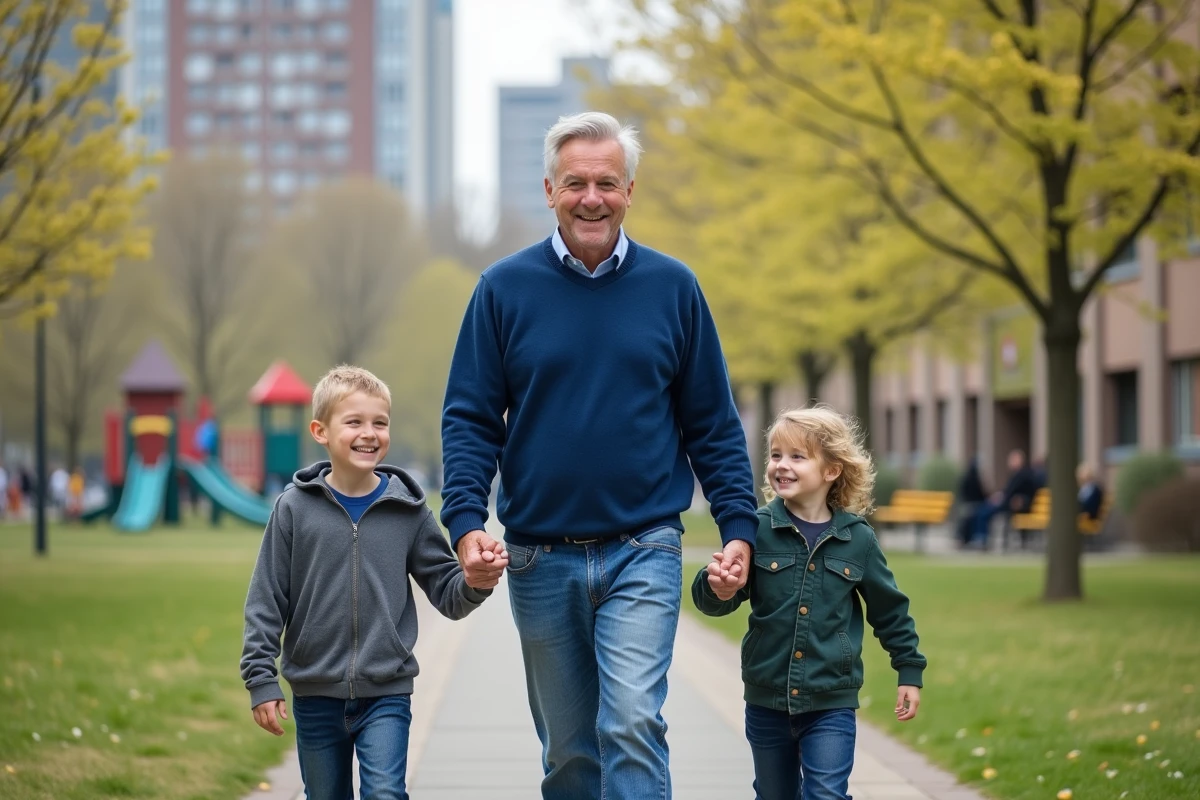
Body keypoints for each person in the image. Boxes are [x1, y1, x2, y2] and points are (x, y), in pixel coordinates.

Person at [440, 111, 759, 799]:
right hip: (537, 556)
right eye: (577, 182)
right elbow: (469, 418)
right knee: (571, 755)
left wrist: (740, 529)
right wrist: (466, 523)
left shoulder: (674, 289)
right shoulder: (502, 290)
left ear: (630, 190)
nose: (593, 198)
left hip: (643, 546)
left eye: (607, 183)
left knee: (634, 723)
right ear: (550, 188)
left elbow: (713, 423)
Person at [241, 366, 499, 800]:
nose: (370, 433)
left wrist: (476, 580)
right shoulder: (293, 509)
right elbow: (267, 599)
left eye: (380, 422)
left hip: (387, 691)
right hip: (315, 691)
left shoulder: (409, 512)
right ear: (320, 431)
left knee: (385, 794)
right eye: (354, 422)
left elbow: (448, 594)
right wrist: (260, 679)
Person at [694, 407, 926, 800]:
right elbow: (715, 600)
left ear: (831, 470)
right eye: (776, 455)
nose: (781, 465)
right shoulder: (756, 529)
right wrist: (718, 587)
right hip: (767, 699)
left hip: (831, 701)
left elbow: (890, 611)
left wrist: (909, 670)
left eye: (797, 457)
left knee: (826, 795)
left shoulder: (858, 540)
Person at [972, 448, 1039, 550]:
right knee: (981, 510)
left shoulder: (1025, 474)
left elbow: (1029, 491)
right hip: (1006, 502)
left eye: (1014, 459)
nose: (1011, 462)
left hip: (1013, 505)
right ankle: (980, 538)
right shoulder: (1015, 475)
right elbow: (1007, 491)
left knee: (984, 513)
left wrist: (1024, 500)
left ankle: (982, 539)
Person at [955, 457, 988, 548]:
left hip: (967, 504)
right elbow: (981, 494)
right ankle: (979, 539)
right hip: (973, 504)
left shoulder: (965, 476)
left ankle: (966, 539)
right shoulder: (974, 478)